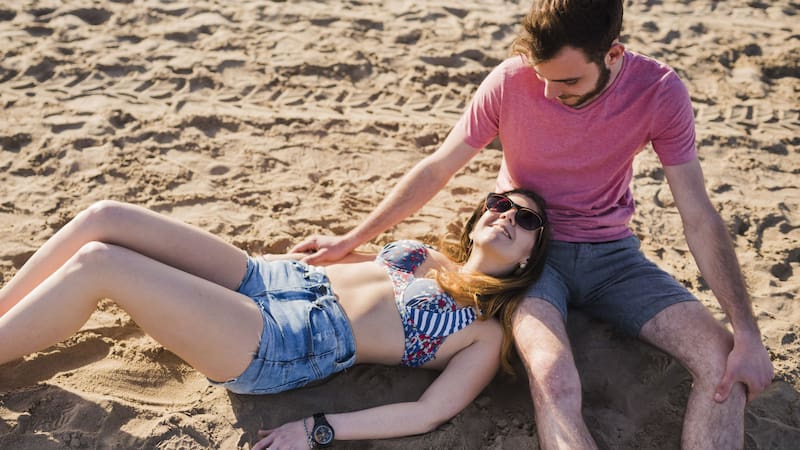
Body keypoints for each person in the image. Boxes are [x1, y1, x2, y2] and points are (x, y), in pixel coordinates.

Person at [290, 0, 775, 448]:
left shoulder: (659, 91)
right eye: (542, 76)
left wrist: (748, 333)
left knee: (721, 361)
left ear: (612, 54)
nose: (548, 92)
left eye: (568, 82)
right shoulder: (509, 80)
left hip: (614, 258)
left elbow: (698, 215)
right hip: (530, 254)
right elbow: (439, 168)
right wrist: (352, 239)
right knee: (553, 378)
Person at [0, 189, 548, 448]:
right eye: (500, 204)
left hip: (285, 341)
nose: (507, 217)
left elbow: (429, 413)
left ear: (529, 256)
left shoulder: (484, 331)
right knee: (103, 217)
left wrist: (319, 430)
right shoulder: (427, 253)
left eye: (526, 220)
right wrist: (341, 247)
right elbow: (356, 270)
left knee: (102, 264)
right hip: (269, 276)